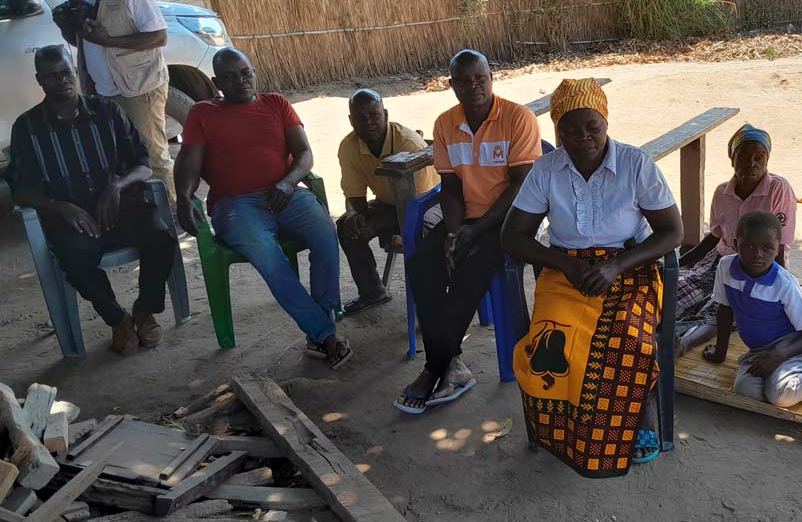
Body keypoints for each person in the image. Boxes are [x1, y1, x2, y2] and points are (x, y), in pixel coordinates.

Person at [501, 78, 683, 477]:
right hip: (566, 270)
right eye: (570, 129)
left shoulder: (636, 164)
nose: (582, 137)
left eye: (592, 128)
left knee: (628, 339)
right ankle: (566, 432)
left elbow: (673, 232)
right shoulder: (546, 170)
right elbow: (512, 235)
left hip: (628, 266)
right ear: (557, 130)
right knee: (550, 345)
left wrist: (616, 266)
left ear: (606, 122)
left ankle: (640, 422)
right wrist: (565, 264)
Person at [174, 48, 351, 368]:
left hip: (285, 193)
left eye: (245, 73)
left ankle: (320, 326)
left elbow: (304, 153)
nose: (240, 81)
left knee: (325, 231)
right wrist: (183, 197)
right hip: (234, 205)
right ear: (217, 82)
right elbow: (188, 162)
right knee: (268, 253)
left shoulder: (276, 104)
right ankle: (326, 333)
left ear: (254, 72)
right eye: (229, 77)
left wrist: (288, 182)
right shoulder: (203, 112)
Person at [394, 50, 542, 414]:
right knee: (421, 268)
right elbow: (450, 186)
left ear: (492, 78)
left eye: (481, 78)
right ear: (452, 84)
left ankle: (434, 368)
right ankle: (453, 365)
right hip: (468, 219)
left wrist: (476, 233)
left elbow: (523, 185)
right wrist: (454, 233)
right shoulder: (446, 123)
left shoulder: (517, 118)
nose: (474, 86)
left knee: (469, 272)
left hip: (512, 219)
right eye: (464, 80)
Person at [9, 45, 175, 354]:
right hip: (71, 217)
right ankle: (118, 320)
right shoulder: (27, 128)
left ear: (74, 71)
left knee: (161, 236)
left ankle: (144, 310)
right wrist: (60, 207)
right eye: (52, 76)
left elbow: (143, 163)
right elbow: (22, 188)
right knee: (73, 257)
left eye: (66, 72)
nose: (62, 81)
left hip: (120, 206)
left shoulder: (107, 112)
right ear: (40, 81)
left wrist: (117, 186)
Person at [674, 124, 797, 356]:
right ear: (732, 159)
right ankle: (660, 331)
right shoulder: (722, 193)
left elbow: (779, 244)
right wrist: (680, 264)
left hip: (758, 266)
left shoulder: (778, 189)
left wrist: (774, 286)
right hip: (721, 259)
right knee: (677, 292)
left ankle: (683, 344)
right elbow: (714, 237)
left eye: (759, 157)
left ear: (768, 160)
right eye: (744, 156)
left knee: (723, 308)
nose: (752, 163)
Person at [702, 211, 802, 408]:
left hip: (793, 348)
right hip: (760, 350)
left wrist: (778, 355)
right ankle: (781, 378)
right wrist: (720, 354)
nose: (758, 254)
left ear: (777, 248)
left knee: (780, 396)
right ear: (735, 243)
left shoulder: (784, 283)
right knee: (744, 391)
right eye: (749, 246)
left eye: (767, 248)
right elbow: (725, 310)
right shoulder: (725, 267)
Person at [54, 0, 175, 206]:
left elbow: (159, 37)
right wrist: (65, 26)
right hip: (103, 91)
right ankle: (148, 215)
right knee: (126, 160)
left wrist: (108, 41)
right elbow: (86, 41)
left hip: (138, 87)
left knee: (152, 156)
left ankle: (173, 215)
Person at [335, 89, 438, 315]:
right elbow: (354, 195)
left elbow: (417, 207)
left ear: (386, 114)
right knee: (346, 226)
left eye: (374, 115)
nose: (368, 122)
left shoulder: (409, 143)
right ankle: (372, 292)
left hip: (428, 203)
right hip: (388, 202)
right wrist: (356, 215)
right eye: (360, 118)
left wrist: (378, 224)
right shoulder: (349, 147)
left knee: (423, 232)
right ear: (351, 121)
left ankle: (432, 302)